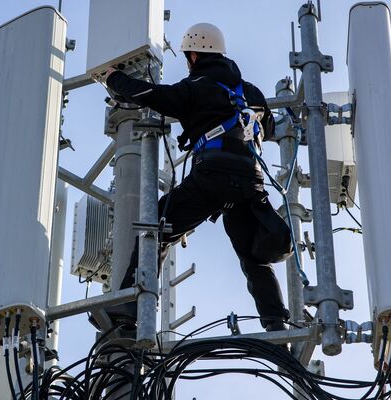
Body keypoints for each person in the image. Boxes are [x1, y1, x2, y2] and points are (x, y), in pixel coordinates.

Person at [101, 23, 292, 331]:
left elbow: (148, 94)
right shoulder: (251, 93)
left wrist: (113, 77)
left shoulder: (196, 88)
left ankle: (128, 308)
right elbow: (268, 129)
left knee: (160, 223)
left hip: (213, 175)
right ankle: (276, 324)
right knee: (253, 258)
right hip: (250, 183)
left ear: (193, 54)